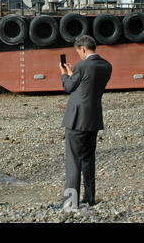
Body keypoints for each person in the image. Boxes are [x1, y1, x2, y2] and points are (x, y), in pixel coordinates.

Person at [59, 35, 112, 209]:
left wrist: (65, 75)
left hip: (76, 120)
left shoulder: (82, 65)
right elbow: (87, 86)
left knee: (73, 162)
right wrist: (74, 75)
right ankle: (89, 198)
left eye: (79, 52)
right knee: (88, 160)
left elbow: (68, 87)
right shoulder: (106, 66)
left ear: (83, 49)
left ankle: (70, 203)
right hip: (93, 119)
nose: (79, 55)